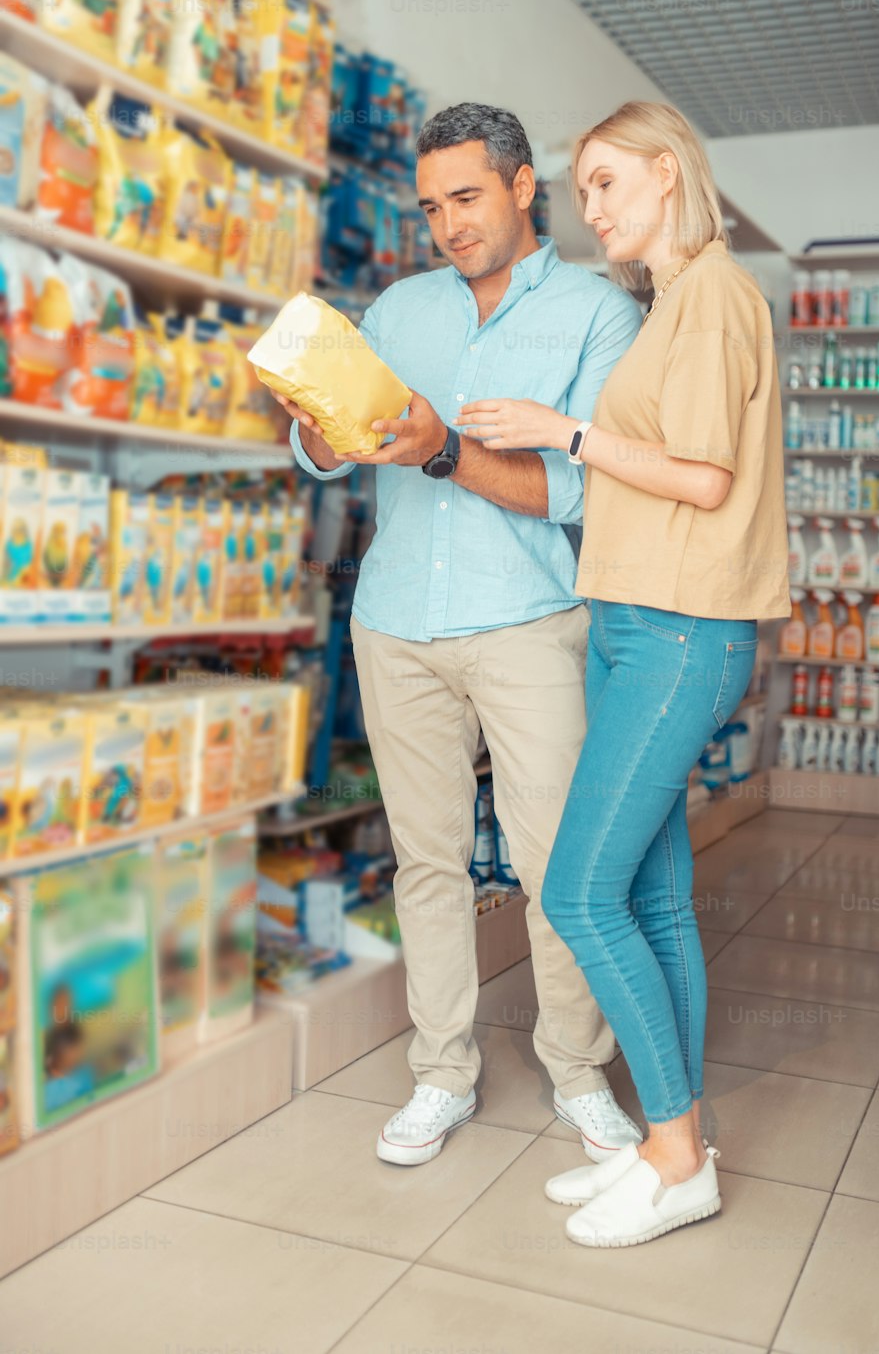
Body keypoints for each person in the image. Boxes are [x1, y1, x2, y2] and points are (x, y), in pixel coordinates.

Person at [279, 103, 644, 1167]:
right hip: (395, 625)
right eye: (432, 205)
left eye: (468, 198)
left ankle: (577, 1073)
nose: (448, 224)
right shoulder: (397, 308)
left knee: (558, 869)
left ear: (526, 186)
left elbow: (578, 492)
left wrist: (441, 452)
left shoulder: (593, 314)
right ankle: (441, 1072)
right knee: (426, 866)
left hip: (531, 626)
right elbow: (325, 452)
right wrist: (315, 425)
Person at [456, 100, 790, 1246]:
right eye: (580, 188)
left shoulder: (710, 297)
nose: (587, 207)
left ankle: (677, 1158)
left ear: (664, 173)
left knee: (580, 893)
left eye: (603, 183)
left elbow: (700, 477)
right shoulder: (672, 305)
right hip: (635, 620)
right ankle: (670, 1139)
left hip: (679, 630)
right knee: (649, 896)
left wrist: (561, 432)